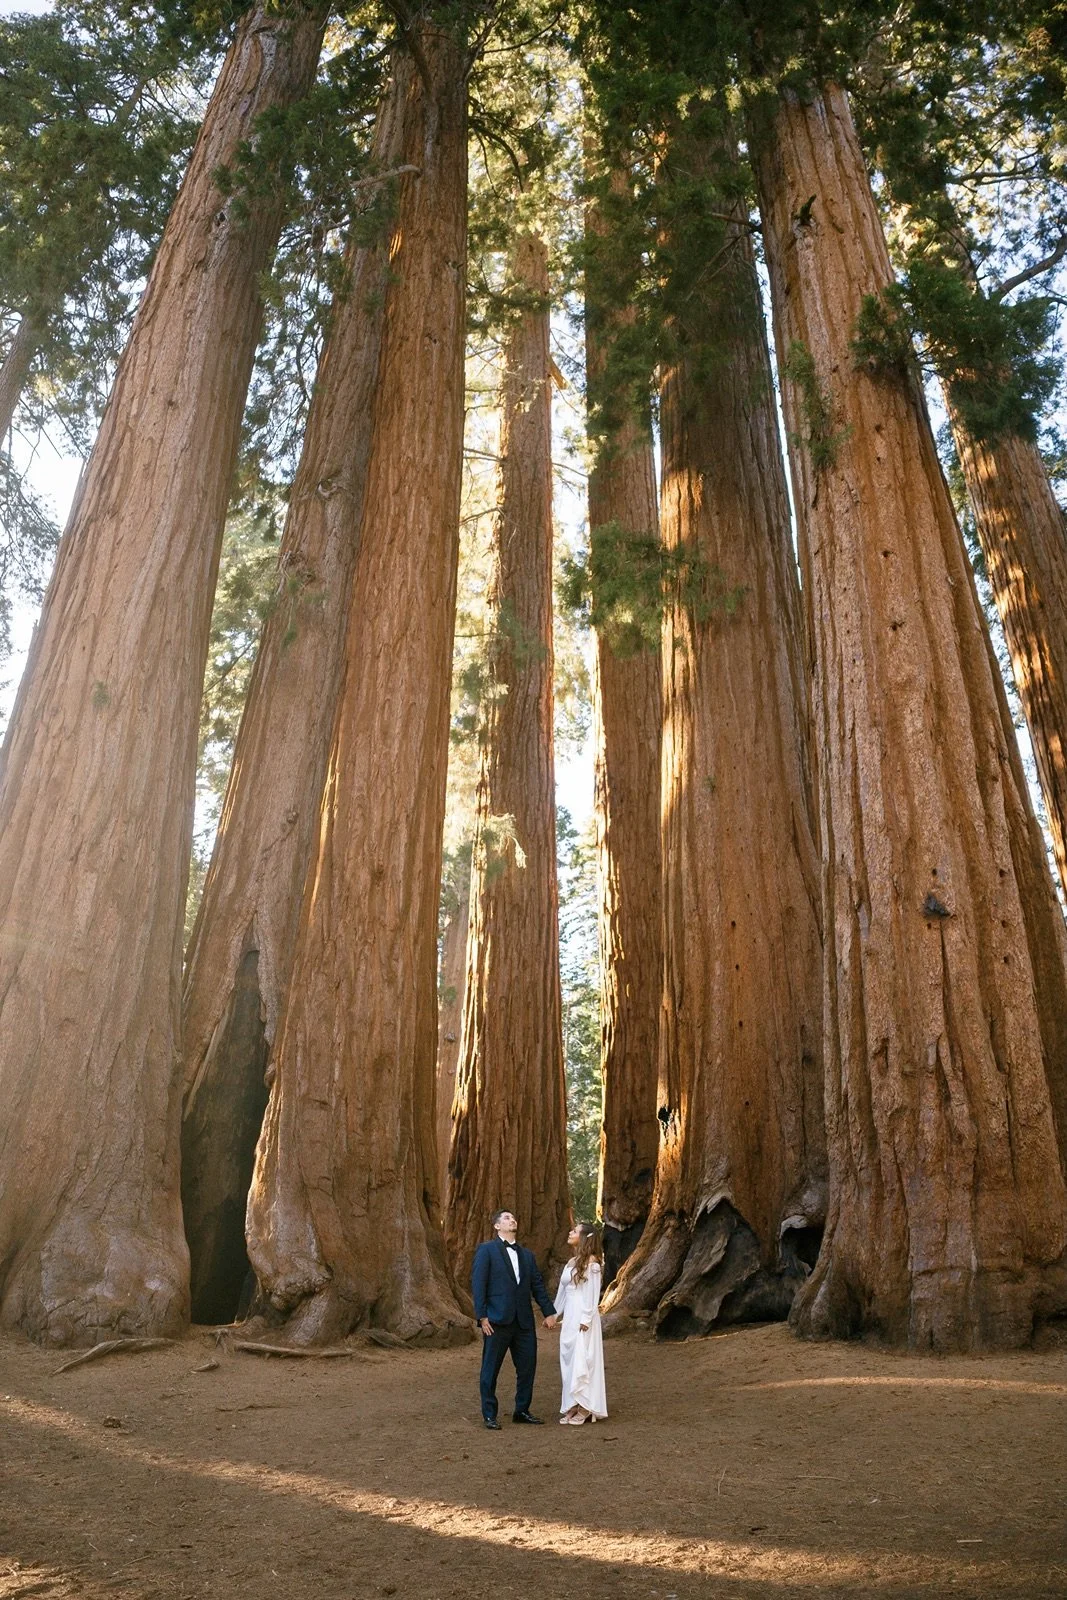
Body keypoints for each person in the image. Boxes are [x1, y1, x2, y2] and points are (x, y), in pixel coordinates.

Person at [471, 1209, 559, 1430]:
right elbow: (478, 1284)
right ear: (497, 1226)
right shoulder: (486, 1250)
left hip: (523, 1322)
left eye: (513, 1218)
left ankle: (522, 1410)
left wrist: (549, 1312)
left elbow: (537, 1285)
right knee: (490, 1369)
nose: (512, 1220)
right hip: (496, 1321)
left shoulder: (527, 1255)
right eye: (507, 1218)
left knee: (528, 1367)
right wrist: (482, 1316)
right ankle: (489, 1414)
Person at [554, 1221, 607, 1425]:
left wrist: (586, 1318)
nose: (570, 1232)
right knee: (568, 1359)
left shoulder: (593, 1262)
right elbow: (563, 1292)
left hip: (584, 1317)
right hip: (569, 1318)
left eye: (574, 1231)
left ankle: (586, 1406)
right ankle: (572, 1404)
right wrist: (554, 1313)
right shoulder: (571, 1263)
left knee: (584, 1359)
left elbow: (593, 1294)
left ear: (584, 1237)